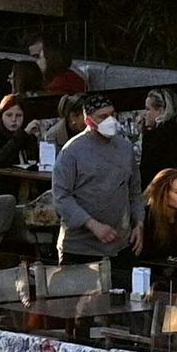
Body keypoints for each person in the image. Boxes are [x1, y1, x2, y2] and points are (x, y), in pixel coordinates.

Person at [51, 94, 139, 267]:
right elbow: (61, 198)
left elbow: (134, 191)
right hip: (80, 249)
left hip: (119, 246)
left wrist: (139, 224)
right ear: (88, 119)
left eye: (112, 114)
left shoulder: (125, 148)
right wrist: (92, 225)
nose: (110, 120)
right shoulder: (71, 152)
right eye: (103, 117)